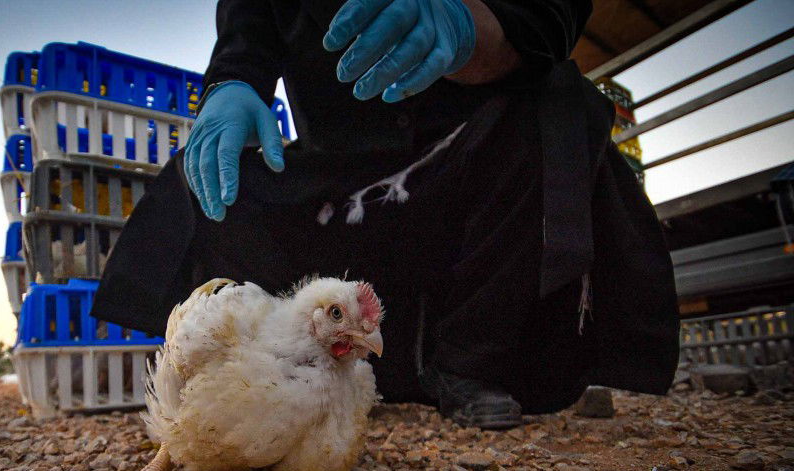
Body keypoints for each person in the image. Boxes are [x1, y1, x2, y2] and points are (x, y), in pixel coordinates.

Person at [92, 0, 680, 429]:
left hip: (472, 155)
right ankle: (264, 373)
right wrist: (232, 83)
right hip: (342, 177)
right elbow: (248, 21)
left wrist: (467, 27)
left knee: (561, 110)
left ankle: (471, 363)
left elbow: (549, 15)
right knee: (205, 179)